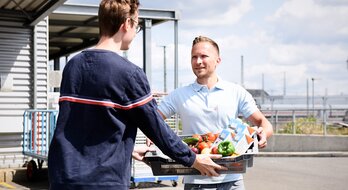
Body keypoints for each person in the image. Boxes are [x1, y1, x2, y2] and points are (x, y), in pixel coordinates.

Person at [47, 1, 226, 189]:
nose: (135, 31)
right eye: (137, 25)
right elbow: (156, 128)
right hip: (103, 181)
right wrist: (193, 159)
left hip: (63, 176)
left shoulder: (73, 66)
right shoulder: (128, 73)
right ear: (126, 24)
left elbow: (87, 128)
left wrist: (127, 148)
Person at [157, 36, 274, 190]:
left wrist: (263, 134)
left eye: (204, 56)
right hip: (196, 181)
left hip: (233, 180)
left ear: (218, 60)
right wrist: (153, 137)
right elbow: (153, 119)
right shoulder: (179, 95)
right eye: (194, 57)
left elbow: (263, 123)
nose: (198, 61)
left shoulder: (236, 92)